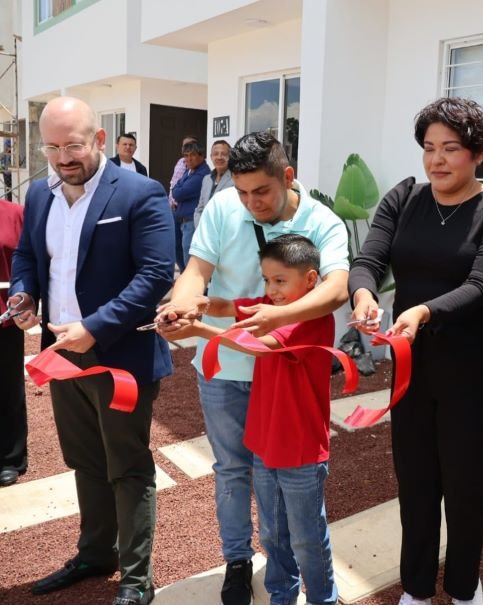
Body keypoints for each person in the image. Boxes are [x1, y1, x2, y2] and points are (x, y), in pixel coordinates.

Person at [156, 131, 349, 605]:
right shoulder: (225, 207)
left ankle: (302, 582)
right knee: (232, 471)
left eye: (260, 191)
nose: (249, 202)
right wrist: (180, 310)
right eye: (241, 191)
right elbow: (196, 274)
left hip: (279, 377)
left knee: (287, 497)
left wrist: (275, 316)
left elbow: (335, 289)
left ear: (288, 176)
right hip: (222, 371)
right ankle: (238, 561)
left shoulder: (323, 222)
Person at [349, 97, 483, 605]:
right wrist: (363, 292)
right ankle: (417, 587)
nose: (437, 161)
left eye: (451, 149)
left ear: (480, 153)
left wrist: (424, 311)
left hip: (472, 371)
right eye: (429, 148)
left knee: (466, 484)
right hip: (412, 367)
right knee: (416, 480)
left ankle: (465, 586)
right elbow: (368, 259)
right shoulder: (404, 197)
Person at [9, 96, 174, 605]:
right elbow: (29, 255)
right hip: (63, 353)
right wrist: (24, 292)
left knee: (126, 464)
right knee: (84, 460)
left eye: (74, 145)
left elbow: (154, 275)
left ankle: (136, 578)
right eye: (53, 147)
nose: (63, 158)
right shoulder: (40, 195)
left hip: (120, 355)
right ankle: (96, 552)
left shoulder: (140, 193)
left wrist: (94, 329)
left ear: (100, 139)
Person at [173, 234, 337, 605]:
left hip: (300, 448)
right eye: (266, 280)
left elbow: (258, 344)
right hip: (265, 442)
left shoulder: (312, 317)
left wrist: (199, 330)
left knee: (306, 536)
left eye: (280, 281)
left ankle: (322, 598)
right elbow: (232, 307)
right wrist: (199, 304)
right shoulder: (269, 305)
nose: (271, 290)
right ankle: (282, 593)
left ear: (310, 280)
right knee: (273, 533)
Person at [0, 198, 25, 487]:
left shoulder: (14, 213)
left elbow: (26, 261)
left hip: (4, 320)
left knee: (7, 388)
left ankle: (10, 457)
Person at [171, 140, 210, 265]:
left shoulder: (202, 174)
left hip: (191, 221)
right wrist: (178, 188)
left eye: (192, 155)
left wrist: (178, 188)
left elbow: (178, 193)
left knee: (188, 256)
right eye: (186, 155)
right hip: (181, 220)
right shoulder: (189, 171)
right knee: (179, 253)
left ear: (201, 155)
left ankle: (189, 282)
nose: (189, 159)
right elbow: (175, 188)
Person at [168, 136, 198, 272]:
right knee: (176, 246)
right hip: (175, 209)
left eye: (191, 147)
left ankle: (188, 279)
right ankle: (183, 272)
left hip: (189, 217)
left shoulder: (201, 171)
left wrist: (177, 191)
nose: (188, 154)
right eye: (185, 148)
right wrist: (172, 199)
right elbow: (174, 184)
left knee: (187, 250)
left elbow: (180, 191)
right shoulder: (181, 164)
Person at [194, 139, 233, 227]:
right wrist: (201, 228)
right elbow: (199, 209)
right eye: (215, 154)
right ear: (211, 157)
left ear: (230, 157)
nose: (219, 157)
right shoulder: (206, 179)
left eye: (224, 154)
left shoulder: (236, 179)